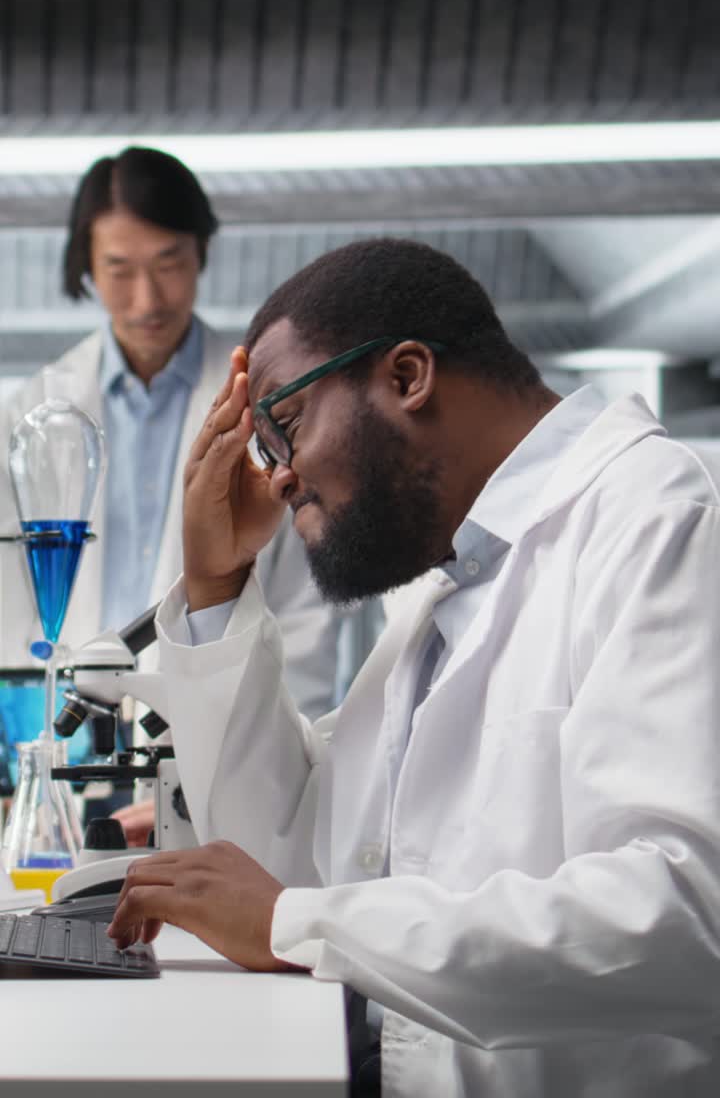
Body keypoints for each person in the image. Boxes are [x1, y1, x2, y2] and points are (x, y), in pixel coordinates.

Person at [108, 238, 720, 1097]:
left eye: (283, 425)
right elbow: (297, 856)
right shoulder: (451, 579)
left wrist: (298, 922)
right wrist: (215, 583)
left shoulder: (662, 523)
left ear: (405, 377)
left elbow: (685, 918)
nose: (278, 478)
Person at [0, 147, 340, 728]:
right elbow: (11, 605)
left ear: (200, 251)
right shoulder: (33, 414)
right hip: (67, 735)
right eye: (120, 269)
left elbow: (303, 606)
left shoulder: (265, 403)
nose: (148, 299)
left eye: (168, 263)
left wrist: (284, 754)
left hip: (218, 732)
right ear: (86, 264)